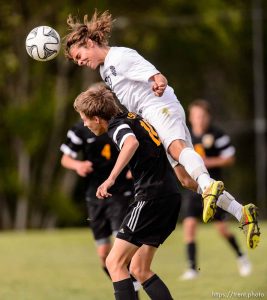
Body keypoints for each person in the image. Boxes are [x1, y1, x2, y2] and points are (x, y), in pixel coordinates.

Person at [63, 9, 261, 250]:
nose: (80, 62)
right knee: (186, 179)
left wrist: (158, 79)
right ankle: (243, 213)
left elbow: (151, 71)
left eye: (79, 55)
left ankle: (209, 186)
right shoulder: (106, 70)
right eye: (76, 61)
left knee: (177, 149)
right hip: (151, 115)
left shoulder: (120, 56)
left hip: (159, 106)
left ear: (90, 42)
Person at [73, 84, 182, 300]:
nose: (84, 124)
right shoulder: (133, 117)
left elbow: (130, 143)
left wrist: (110, 179)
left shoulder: (117, 126)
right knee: (140, 269)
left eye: (85, 118)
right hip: (169, 195)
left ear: (96, 117)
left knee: (113, 262)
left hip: (150, 198)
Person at [60, 118, 141, 298]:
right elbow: (65, 159)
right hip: (95, 195)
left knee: (119, 249)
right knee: (104, 255)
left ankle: (132, 289)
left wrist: (136, 167)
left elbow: (138, 144)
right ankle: (132, 284)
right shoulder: (80, 129)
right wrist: (78, 165)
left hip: (120, 192)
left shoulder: (118, 124)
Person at [180, 99, 252, 280]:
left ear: (208, 117)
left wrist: (209, 162)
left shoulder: (216, 134)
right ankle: (191, 268)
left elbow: (230, 158)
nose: (199, 119)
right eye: (196, 115)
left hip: (214, 189)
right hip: (194, 189)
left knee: (222, 229)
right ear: (191, 117)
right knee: (189, 226)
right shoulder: (185, 135)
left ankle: (242, 258)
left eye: (202, 116)